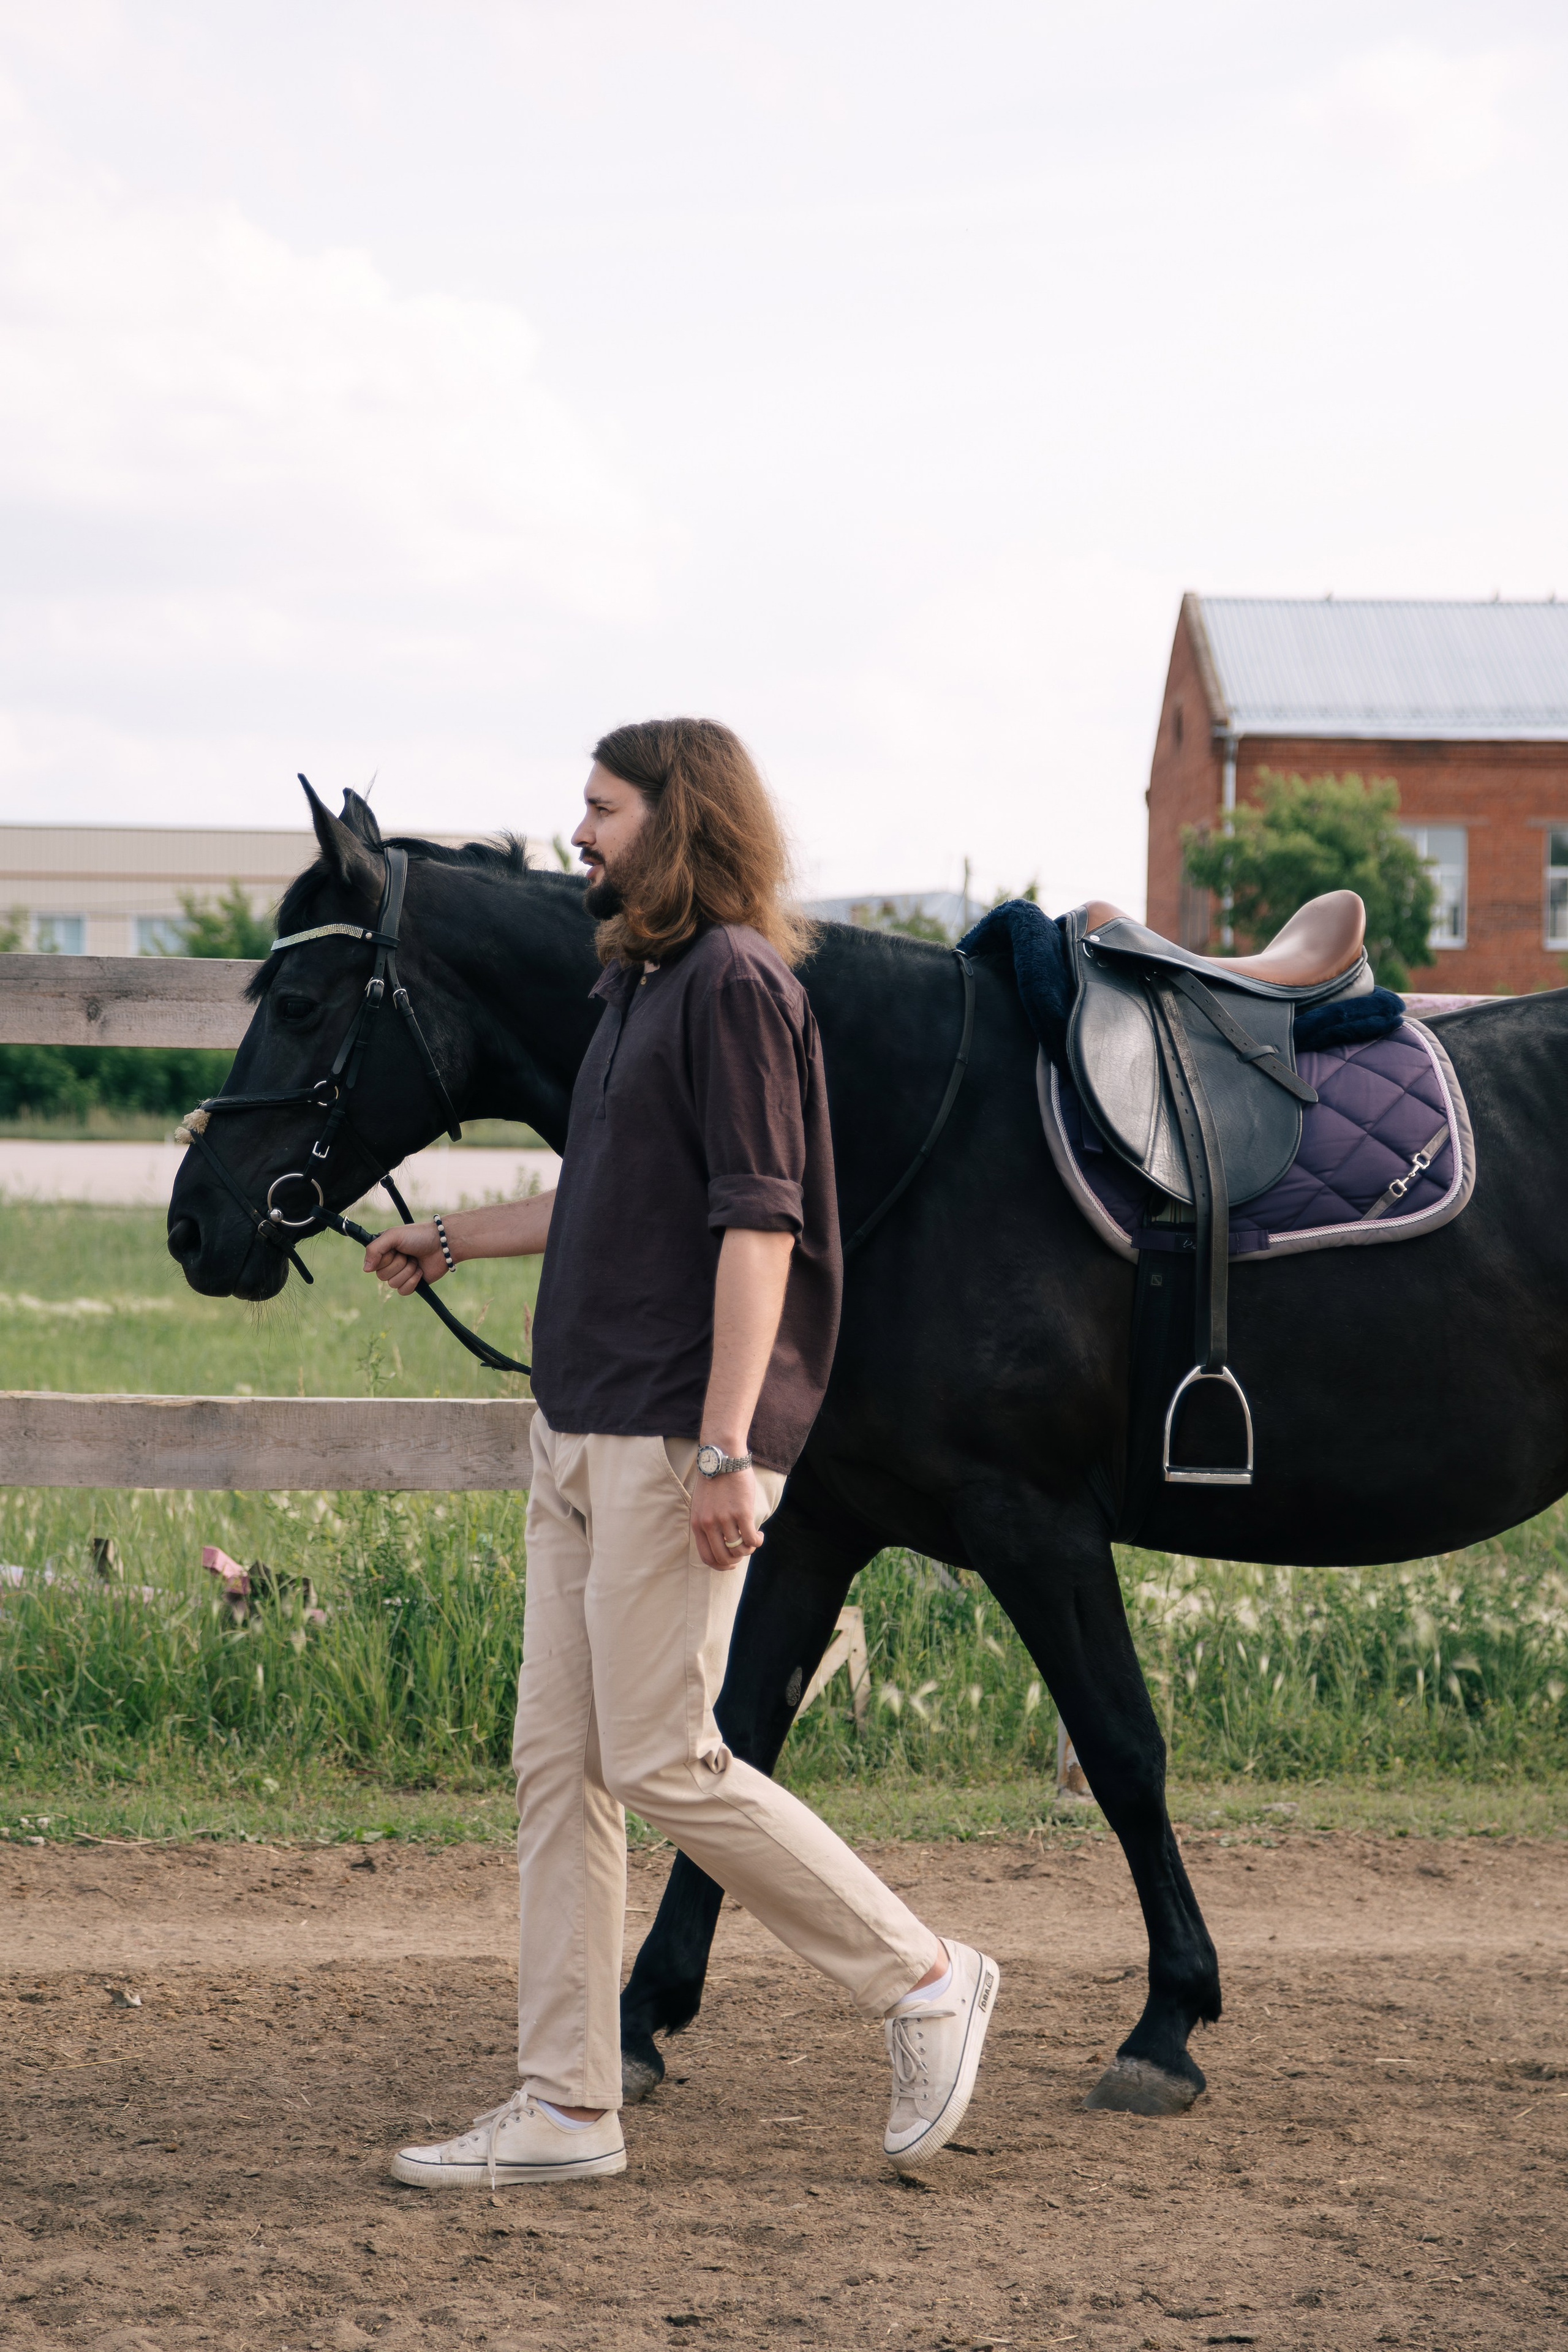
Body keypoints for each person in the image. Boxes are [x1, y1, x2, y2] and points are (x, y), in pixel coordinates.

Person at [363, 718, 997, 2188]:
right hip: (577, 1428)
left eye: (599, 808)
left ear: (675, 818)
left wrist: (726, 1446)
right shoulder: (636, 986)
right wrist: (455, 1233)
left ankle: (920, 1975)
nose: (575, 833)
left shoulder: (734, 986)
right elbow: (608, 1198)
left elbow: (758, 1224)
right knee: (558, 1770)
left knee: (660, 1754)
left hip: (669, 1435)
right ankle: (567, 2108)